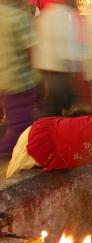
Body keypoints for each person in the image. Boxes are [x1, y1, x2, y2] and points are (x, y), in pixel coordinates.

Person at [0, 0, 42, 157]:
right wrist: (39, 77)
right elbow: (31, 50)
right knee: (19, 127)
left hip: (3, 80)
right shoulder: (18, 17)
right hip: (18, 81)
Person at [33, 0, 82, 117]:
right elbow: (65, 46)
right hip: (59, 71)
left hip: (48, 68)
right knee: (56, 105)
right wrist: (75, 67)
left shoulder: (46, 14)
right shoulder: (64, 15)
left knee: (54, 105)